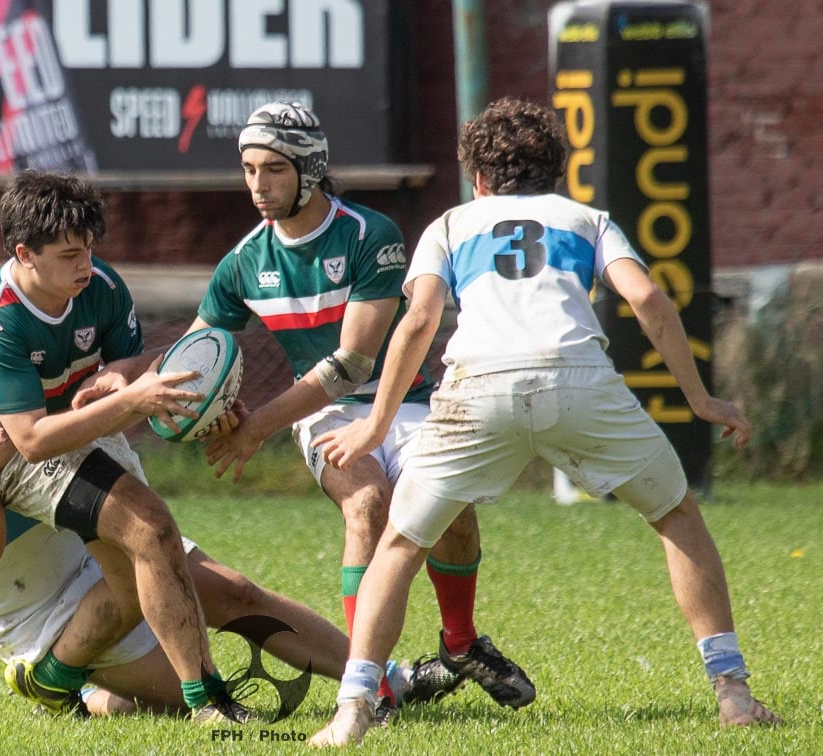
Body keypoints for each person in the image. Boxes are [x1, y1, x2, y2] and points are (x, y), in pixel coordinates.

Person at [307, 97, 783, 746]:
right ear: (558, 173)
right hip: (578, 381)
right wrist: (701, 399)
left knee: (399, 545)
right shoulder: (586, 219)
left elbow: (417, 321)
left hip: (478, 386)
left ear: (476, 177)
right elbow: (645, 298)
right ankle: (732, 694)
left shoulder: (450, 224)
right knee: (676, 516)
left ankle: (355, 707)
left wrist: (374, 423)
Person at [0, 242, 352, 718]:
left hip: (105, 546)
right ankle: (58, 674)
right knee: (169, 691)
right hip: (41, 607)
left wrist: (203, 402)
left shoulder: (32, 354)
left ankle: (372, 675)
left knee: (236, 593)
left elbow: (110, 401)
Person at [184, 101, 534, 724]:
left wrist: (255, 428)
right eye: (248, 169)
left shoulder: (370, 234)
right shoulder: (243, 261)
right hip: (322, 416)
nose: (258, 186)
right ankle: (368, 685)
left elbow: (354, 364)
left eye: (273, 170)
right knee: (367, 504)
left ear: (310, 169)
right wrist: (127, 385)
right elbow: (193, 353)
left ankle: (459, 644)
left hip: (408, 402)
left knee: (447, 508)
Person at [0, 170, 249, 721]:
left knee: (134, 584)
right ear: (24, 254)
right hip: (6, 453)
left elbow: (130, 360)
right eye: (68, 254)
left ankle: (53, 679)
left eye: (89, 248)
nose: (85, 264)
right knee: (152, 528)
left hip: (77, 425)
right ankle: (209, 704)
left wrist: (124, 375)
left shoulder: (100, 286)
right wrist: (132, 400)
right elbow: (33, 441)